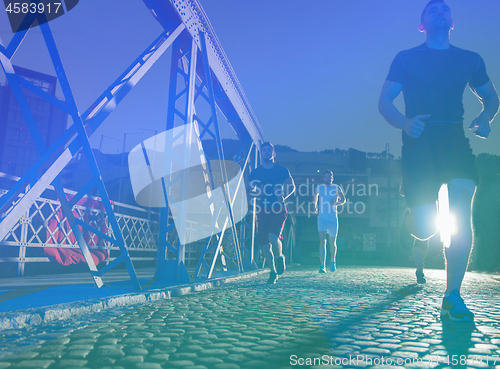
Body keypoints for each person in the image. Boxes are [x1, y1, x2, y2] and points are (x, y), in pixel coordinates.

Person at [379, 0, 499, 321]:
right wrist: (404, 122)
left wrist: (486, 117)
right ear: (422, 24)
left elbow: (491, 97)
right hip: (418, 146)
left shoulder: (469, 60)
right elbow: (385, 101)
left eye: (445, 9)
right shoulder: (405, 59)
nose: (440, 11)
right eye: (432, 9)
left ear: (452, 22)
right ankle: (412, 222)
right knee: (424, 229)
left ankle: (452, 295)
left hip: (455, 144)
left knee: (460, 215)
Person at [248, 142, 295, 284]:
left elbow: (291, 186)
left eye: (269, 150)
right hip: (263, 210)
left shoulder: (282, 170)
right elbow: (249, 191)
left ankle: (280, 257)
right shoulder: (255, 173)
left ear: (274, 154)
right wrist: (258, 193)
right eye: (264, 150)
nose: (267, 152)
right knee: (265, 245)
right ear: (261, 154)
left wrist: (284, 197)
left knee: (273, 238)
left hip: (279, 208)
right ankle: (273, 272)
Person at [313, 170, 345, 273]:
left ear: (332, 178)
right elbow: (315, 195)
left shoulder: (336, 188)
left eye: (329, 177)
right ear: (323, 178)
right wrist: (314, 206)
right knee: (322, 240)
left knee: (332, 242)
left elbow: (343, 199)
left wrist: (335, 203)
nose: (327, 178)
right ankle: (322, 265)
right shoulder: (320, 188)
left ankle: (332, 260)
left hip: (332, 218)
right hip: (322, 217)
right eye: (326, 177)